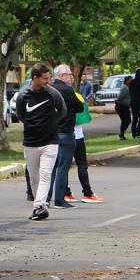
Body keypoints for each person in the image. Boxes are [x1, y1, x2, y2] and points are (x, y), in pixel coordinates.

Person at [15, 63, 65, 221]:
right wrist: (33, 125)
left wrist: (51, 124)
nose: (48, 81)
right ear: (35, 78)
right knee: (34, 178)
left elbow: (63, 110)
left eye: (49, 77)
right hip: (30, 142)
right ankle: (41, 205)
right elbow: (21, 115)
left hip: (50, 142)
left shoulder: (53, 93)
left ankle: (38, 206)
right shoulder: (23, 96)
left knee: (45, 174)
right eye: (45, 78)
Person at [49, 64, 84, 210]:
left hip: (52, 132)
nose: (71, 77)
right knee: (62, 168)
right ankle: (59, 199)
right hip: (66, 131)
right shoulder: (66, 89)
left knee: (51, 167)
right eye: (69, 74)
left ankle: (45, 198)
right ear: (62, 75)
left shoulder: (49, 89)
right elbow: (80, 107)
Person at [63, 82, 103, 204]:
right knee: (81, 164)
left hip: (62, 134)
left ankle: (66, 193)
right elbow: (85, 116)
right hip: (77, 135)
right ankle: (87, 193)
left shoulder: (55, 95)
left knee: (63, 166)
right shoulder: (78, 97)